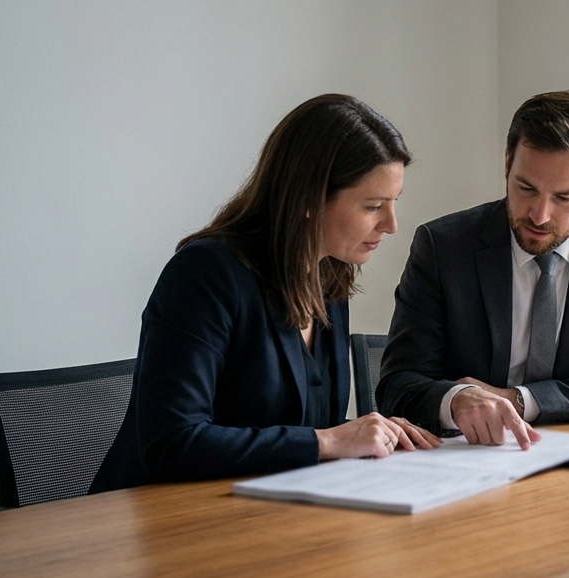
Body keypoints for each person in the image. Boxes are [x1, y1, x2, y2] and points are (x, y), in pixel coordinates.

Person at [91, 94, 440, 494]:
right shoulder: (204, 274)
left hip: (262, 513)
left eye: (393, 203)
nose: (391, 225)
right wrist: (329, 441)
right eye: (373, 206)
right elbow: (172, 442)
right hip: (157, 523)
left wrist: (368, 435)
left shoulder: (329, 278)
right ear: (309, 198)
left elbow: (310, 432)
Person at [377, 90, 569, 448]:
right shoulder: (443, 247)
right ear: (507, 163)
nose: (539, 215)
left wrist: (517, 400)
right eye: (526, 188)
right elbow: (396, 386)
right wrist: (457, 400)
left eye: (563, 197)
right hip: (467, 457)